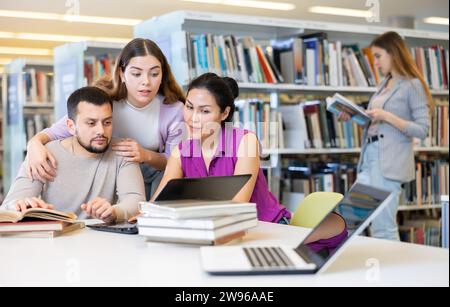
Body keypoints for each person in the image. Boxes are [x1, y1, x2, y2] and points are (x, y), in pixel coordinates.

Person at [152, 73, 347, 249]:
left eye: (204, 111)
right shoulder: (181, 152)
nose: (193, 118)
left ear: (224, 113)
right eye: (189, 107)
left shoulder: (245, 141)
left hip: (266, 230)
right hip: (215, 234)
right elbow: (158, 204)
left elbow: (237, 207)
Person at [25, 38, 185, 199]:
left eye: (154, 74)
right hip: (112, 172)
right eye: (136, 73)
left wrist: (145, 155)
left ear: (162, 74)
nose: (146, 82)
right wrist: (34, 144)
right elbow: (58, 131)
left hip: (156, 176)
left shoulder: (174, 109)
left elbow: (175, 162)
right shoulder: (105, 100)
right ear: (122, 74)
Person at [1, 87, 146, 223]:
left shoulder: (123, 150)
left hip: (103, 241)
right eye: (91, 123)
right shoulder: (43, 154)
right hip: (55, 240)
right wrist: (20, 204)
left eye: (107, 122)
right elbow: (8, 205)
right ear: (71, 126)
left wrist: (114, 211)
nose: (101, 131)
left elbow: (135, 201)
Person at [339, 31, 432, 241]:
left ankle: (391, 273)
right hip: (370, 159)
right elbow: (377, 124)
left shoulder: (412, 85)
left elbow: (422, 129)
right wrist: (354, 116)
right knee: (349, 217)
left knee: (383, 226)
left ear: (393, 53)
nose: (376, 63)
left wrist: (387, 116)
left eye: (379, 56)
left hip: (389, 164)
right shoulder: (384, 85)